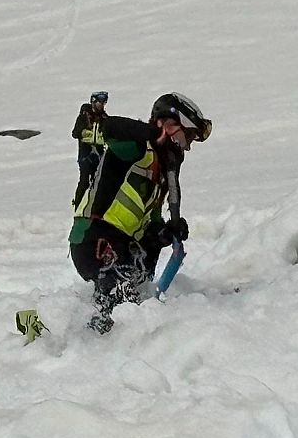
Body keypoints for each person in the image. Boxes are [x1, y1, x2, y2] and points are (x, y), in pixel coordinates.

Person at [69, 93, 212, 334]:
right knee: (120, 296)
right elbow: (110, 130)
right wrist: (149, 133)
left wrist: (166, 233)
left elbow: (151, 220)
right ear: (166, 124)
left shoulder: (160, 169)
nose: (187, 145)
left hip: (123, 244)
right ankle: (81, 338)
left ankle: (94, 329)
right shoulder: (136, 146)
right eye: (186, 135)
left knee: (135, 291)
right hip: (95, 239)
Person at [71, 90, 109, 207]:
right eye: (99, 102)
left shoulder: (104, 118)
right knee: (84, 180)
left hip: (98, 153)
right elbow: (75, 133)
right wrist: (87, 134)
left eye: (103, 103)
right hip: (85, 153)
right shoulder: (84, 116)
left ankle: (94, 206)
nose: (101, 105)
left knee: (97, 181)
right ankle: (78, 204)